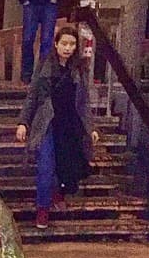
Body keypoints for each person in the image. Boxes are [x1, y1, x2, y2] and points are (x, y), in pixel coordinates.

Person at [15, 25, 99, 230]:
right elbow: (33, 95)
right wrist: (23, 122)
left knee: (66, 165)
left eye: (72, 44)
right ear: (56, 44)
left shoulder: (79, 69)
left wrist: (91, 127)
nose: (68, 48)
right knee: (45, 166)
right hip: (48, 123)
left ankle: (58, 193)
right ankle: (42, 209)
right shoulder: (45, 65)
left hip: (70, 123)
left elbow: (83, 101)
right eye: (64, 43)